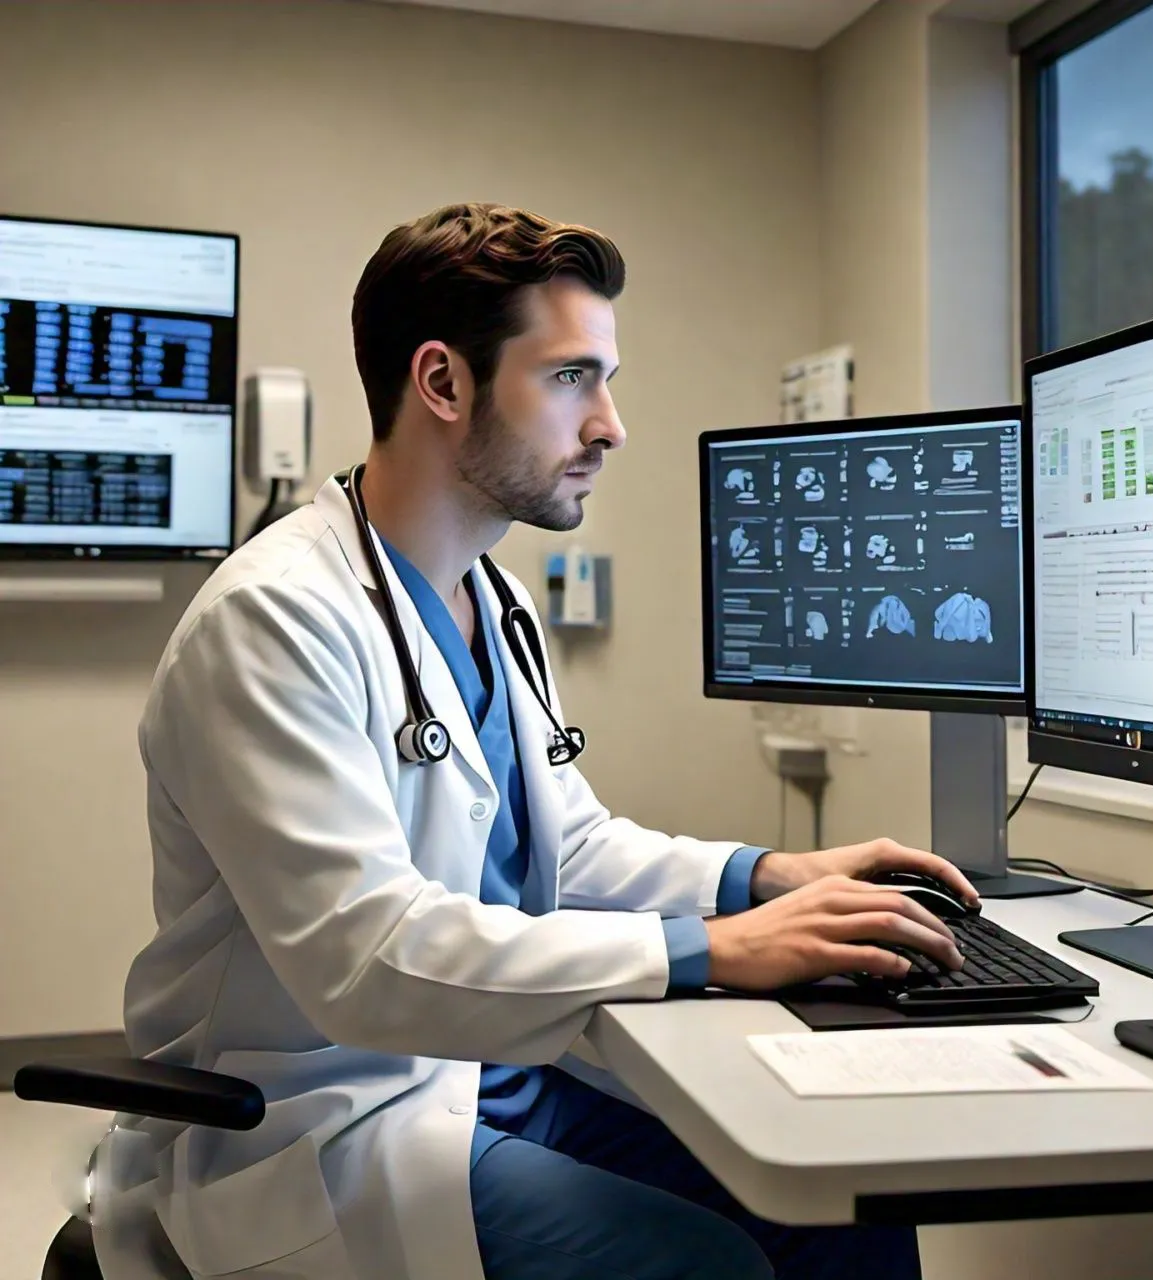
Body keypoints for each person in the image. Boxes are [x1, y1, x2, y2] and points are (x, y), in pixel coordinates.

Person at [121, 202, 976, 1280]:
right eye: (573, 377)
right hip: (323, 1119)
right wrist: (708, 947)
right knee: (696, 1261)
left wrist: (766, 875)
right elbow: (363, 952)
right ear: (442, 383)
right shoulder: (271, 618)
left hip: (490, 1079)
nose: (610, 423)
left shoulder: (493, 598)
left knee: (846, 1202)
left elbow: (564, 851)